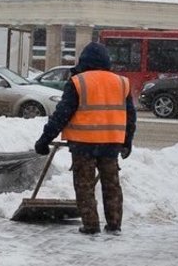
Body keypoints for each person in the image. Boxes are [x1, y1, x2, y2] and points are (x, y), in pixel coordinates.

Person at [35, 42, 137, 235]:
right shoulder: (121, 82)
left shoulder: (78, 82)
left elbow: (62, 114)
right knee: (111, 185)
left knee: (85, 186)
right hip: (111, 144)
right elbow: (130, 116)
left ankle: (91, 226)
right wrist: (127, 141)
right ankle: (114, 225)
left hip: (84, 145)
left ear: (84, 61)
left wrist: (44, 139)